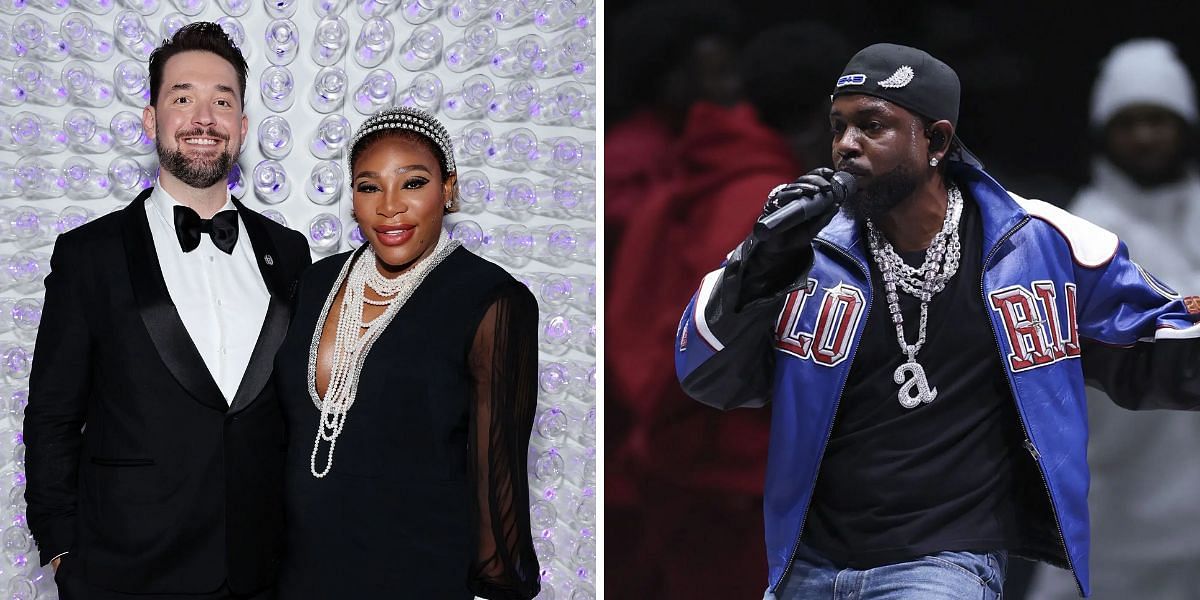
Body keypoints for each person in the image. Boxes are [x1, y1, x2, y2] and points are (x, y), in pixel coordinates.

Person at [674, 42, 1200, 599]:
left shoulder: (1038, 242)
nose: (846, 145)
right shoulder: (806, 250)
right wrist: (759, 266)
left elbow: (1160, 332)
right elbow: (705, 374)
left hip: (944, 564)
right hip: (810, 568)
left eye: (872, 126)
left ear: (937, 141)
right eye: (838, 126)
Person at [23, 22, 311, 600]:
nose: (204, 118)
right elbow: (52, 417)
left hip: (264, 572)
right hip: (125, 572)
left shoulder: (290, 251)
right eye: (183, 98)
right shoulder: (89, 256)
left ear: (243, 127)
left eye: (222, 101)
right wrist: (62, 553)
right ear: (152, 119)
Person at [273, 106, 541, 599]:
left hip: (418, 576)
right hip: (300, 576)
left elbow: (498, 471)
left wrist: (498, 587)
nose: (389, 206)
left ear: (449, 188)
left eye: (413, 183)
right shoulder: (315, 283)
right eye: (369, 186)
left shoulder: (491, 300)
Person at [1028, 38, 1200, 600]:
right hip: (1114, 516)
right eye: (1129, 122)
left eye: (1159, 118)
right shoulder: (1078, 235)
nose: (1146, 136)